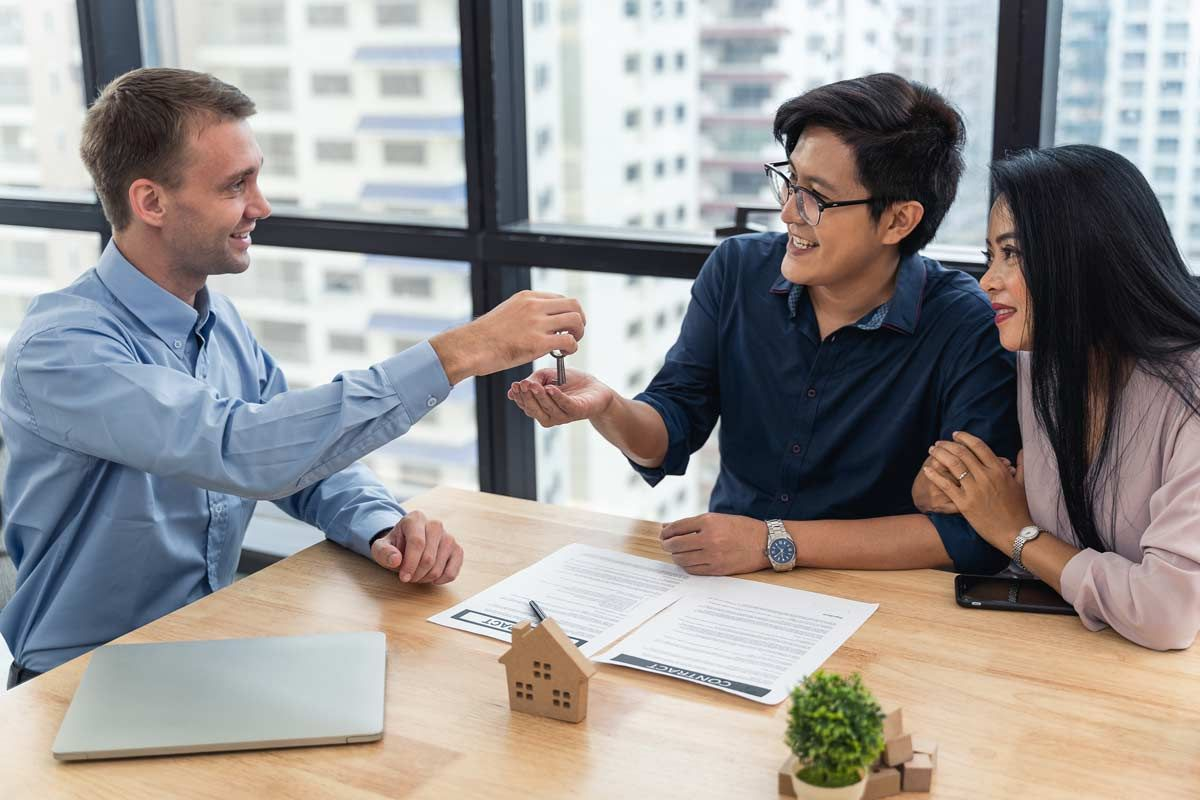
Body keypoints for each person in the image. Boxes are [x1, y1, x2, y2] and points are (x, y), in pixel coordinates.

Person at [0, 67, 586, 688]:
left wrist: (380, 523)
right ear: (151, 202)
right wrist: (459, 352)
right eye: (235, 185)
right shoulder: (62, 350)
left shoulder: (217, 321)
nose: (261, 206)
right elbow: (241, 450)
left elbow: (302, 459)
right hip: (76, 681)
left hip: (202, 653)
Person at [508, 73, 1018, 577]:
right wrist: (608, 407)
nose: (789, 212)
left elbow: (973, 532)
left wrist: (772, 541)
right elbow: (674, 424)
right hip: (729, 583)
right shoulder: (736, 270)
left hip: (879, 599)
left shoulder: (966, 326)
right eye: (790, 181)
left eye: (817, 195)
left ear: (898, 221)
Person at [920, 145, 1200, 650]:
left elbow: (1167, 614)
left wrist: (1015, 533)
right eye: (990, 256)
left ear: (1084, 255)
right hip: (1070, 655)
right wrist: (954, 489)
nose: (987, 280)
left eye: (1014, 255)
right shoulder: (1042, 360)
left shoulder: (1191, 387)